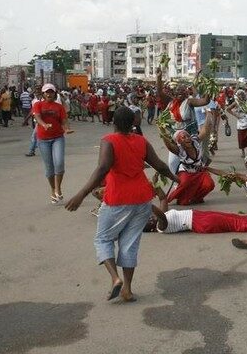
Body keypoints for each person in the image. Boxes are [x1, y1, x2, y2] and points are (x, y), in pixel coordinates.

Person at [65, 107, 179, 302]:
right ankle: (127, 289)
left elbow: (102, 168)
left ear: (113, 122)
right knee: (129, 243)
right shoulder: (141, 141)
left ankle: (115, 278)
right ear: (134, 122)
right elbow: (159, 164)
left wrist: (81, 194)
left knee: (103, 239)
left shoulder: (109, 140)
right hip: (142, 198)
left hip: (118, 198)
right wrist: (175, 178)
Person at [144, 184, 247, 234]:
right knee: (233, 224)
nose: (150, 218)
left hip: (198, 215)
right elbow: (161, 216)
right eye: (148, 222)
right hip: (199, 223)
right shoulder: (161, 228)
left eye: (148, 218)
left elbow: (163, 199)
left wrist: (153, 186)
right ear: (151, 229)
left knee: (232, 217)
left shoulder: (161, 216)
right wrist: (146, 204)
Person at [155, 67, 211, 171]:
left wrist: (208, 87)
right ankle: (177, 183)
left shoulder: (189, 102)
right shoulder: (170, 102)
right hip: (176, 138)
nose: (180, 92)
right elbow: (159, 92)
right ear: (174, 93)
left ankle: (195, 178)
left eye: (182, 91)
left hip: (190, 137)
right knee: (172, 163)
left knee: (193, 162)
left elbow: (205, 101)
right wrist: (159, 77)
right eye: (177, 91)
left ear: (186, 93)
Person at [159, 113, 215, 206]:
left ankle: (196, 198)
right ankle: (174, 198)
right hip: (186, 173)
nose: (187, 138)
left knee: (209, 184)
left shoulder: (195, 141)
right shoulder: (179, 149)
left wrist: (208, 115)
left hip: (200, 171)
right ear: (179, 142)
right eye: (183, 138)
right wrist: (162, 130)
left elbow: (204, 131)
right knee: (183, 201)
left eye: (187, 136)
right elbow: (169, 145)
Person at [32, 84, 73, 203]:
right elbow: (38, 117)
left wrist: (67, 128)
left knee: (59, 163)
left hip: (57, 138)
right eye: (46, 92)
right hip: (43, 139)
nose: (49, 94)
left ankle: (58, 188)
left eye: (51, 92)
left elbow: (64, 120)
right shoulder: (38, 104)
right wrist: (43, 124)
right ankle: (53, 189)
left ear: (55, 93)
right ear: (43, 94)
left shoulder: (59, 107)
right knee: (49, 168)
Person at [226, 89, 247, 158]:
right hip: (241, 124)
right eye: (239, 95)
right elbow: (228, 109)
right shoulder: (236, 103)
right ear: (237, 96)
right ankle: (243, 152)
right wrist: (236, 115)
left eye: (242, 94)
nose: (241, 96)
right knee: (242, 139)